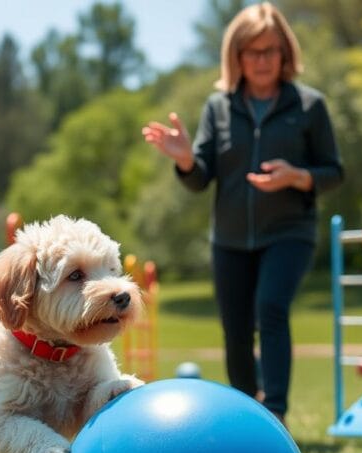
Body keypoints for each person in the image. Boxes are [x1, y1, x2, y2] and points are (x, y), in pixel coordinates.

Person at [141, 2, 343, 422]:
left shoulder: (309, 106)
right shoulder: (219, 108)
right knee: (235, 330)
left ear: (285, 52)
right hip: (230, 239)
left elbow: (333, 172)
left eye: (271, 50)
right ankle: (250, 415)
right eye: (253, 52)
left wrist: (297, 176)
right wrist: (182, 159)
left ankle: (276, 414)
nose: (263, 60)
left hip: (289, 231)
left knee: (270, 308)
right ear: (237, 56)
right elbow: (200, 177)